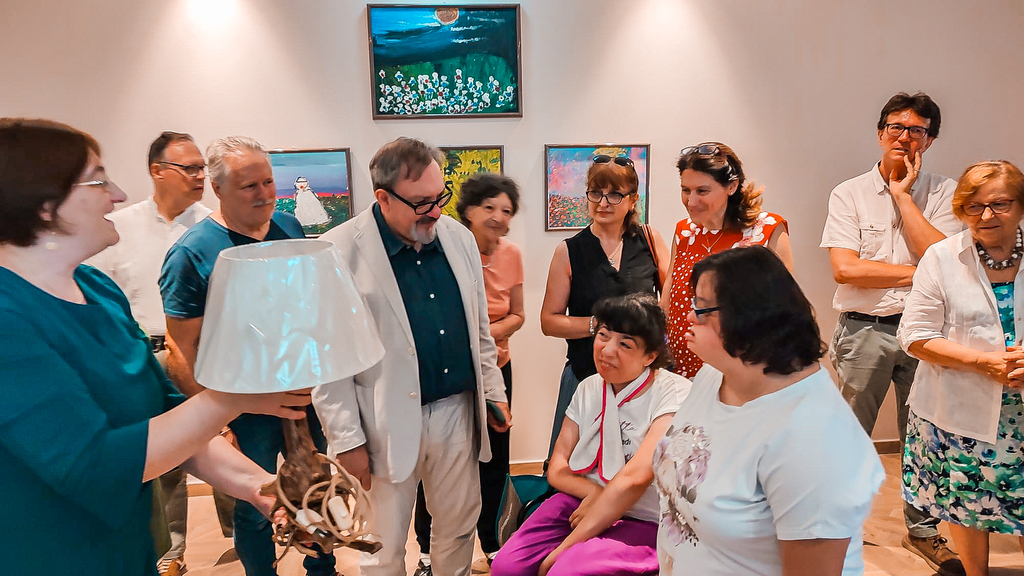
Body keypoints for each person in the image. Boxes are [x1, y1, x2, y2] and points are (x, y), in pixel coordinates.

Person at [0, 118, 313, 575]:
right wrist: (232, 398)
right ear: (45, 205)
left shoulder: (96, 289)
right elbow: (95, 463)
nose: (119, 194)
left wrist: (261, 486)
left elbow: (168, 421)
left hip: (126, 551)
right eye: (98, 179)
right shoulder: (9, 319)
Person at [312, 137, 512, 576]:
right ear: (382, 197)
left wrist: (493, 394)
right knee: (381, 548)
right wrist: (346, 441)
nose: (436, 211)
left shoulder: (458, 238)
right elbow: (329, 361)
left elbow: (479, 330)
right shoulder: (337, 250)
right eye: (422, 203)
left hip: (457, 412)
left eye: (440, 197)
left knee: (458, 529)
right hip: (380, 419)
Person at [159, 136, 337, 576]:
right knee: (256, 501)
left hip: (299, 391)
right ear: (218, 190)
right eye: (249, 186)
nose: (265, 194)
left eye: (268, 182)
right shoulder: (191, 253)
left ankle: (323, 569)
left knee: (316, 489)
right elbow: (182, 349)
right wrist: (216, 424)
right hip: (243, 402)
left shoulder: (290, 227)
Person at [655, 245, 885, 575]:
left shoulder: (812, 436)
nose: (690, 316)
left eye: (702, 308)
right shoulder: (713, 375)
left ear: (749, 317)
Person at [820, 91, 965, 574]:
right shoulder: (850, 192)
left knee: (922, 436)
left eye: (917, 130)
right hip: (865, 331)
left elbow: (944, 256)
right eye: (896, 127)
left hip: (928, 333)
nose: (905, 137)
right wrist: (919, 270)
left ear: (931, 139)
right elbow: (845, 270)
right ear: (880, 132)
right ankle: (834, 528)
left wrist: (904, 196)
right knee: (848, 437)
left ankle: (923, 531)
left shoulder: (945, 192)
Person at [87, 130, 213, 576]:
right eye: (190, 168)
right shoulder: (119, 228)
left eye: (203, 167)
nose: (201, 176)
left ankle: (243, 535)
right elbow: (99, 297)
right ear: (158, 171)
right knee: (163, 461)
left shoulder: (211, 226)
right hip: (145, 351)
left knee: (218, 436)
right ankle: (171, 553)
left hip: (203, 351)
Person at [492, 293, 690, 576]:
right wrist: (594, 492)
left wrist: (560, 551)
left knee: (565, 571)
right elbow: (557, 467)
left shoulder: (674, 392)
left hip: (643, 516)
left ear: (651, 355)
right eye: (603, 335)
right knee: (507, 567)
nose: (607, 350)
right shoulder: (589, 387)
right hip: (580, 500)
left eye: (625, 344)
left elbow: (636, 478)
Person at [898, 160, 1024, 576]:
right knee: (968, 502)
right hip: (959, 413)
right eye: (973, 206)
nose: (986, 216)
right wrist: (982, 362)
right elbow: (914, 335)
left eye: (1000, 204)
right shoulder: (942, 257)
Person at [412, 172, 525, 574]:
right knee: (434, 465)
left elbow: (518, 315)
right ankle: (425, 553)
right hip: (451, 379)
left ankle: (494, 545)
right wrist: (473, 341)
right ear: (468, 210)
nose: (498, 216)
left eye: (506, 210)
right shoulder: (440, 249)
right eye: (489, 207)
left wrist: (483, 337)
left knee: (495, 465)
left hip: (498, 373)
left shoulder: (511, 254)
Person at [540, 154, 670, 457]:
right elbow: (549, 321)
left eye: (614, 194)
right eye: (595, 193)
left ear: (633, 199)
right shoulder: (569, 250)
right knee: (573, 466)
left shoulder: (649, 240)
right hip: (587, 375)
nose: (603, 202)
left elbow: (670, 302)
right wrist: (599, 327)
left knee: (639, 467)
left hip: (642, 382)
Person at [662, 142, 792, 378]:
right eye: (685, 190)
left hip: (742, 373)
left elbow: (785, 313)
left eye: (702, 191)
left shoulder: (767, 230)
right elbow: (669, 298)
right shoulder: (684, 232)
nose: (691, 202)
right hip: (681, 371)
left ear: (731, 186)